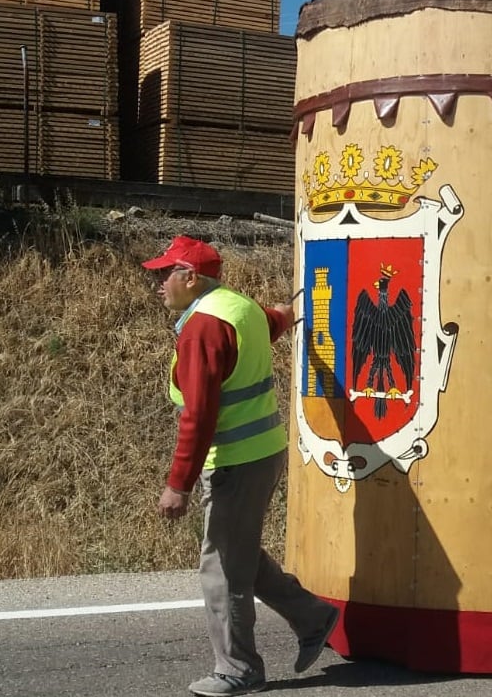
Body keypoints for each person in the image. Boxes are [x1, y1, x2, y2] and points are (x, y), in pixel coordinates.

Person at [143, 235, 338, 696]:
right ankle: (313, 616)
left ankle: (238, 669)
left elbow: (199, 415)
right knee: (237, 550)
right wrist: (287, 315)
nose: (157, 284)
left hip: (233, 460)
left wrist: (179, 485)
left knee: (222, 565)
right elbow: (269, 322)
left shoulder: (204, 327)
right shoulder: (238, 307)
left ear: (191, 279)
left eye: (163, 274)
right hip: (262, 452)